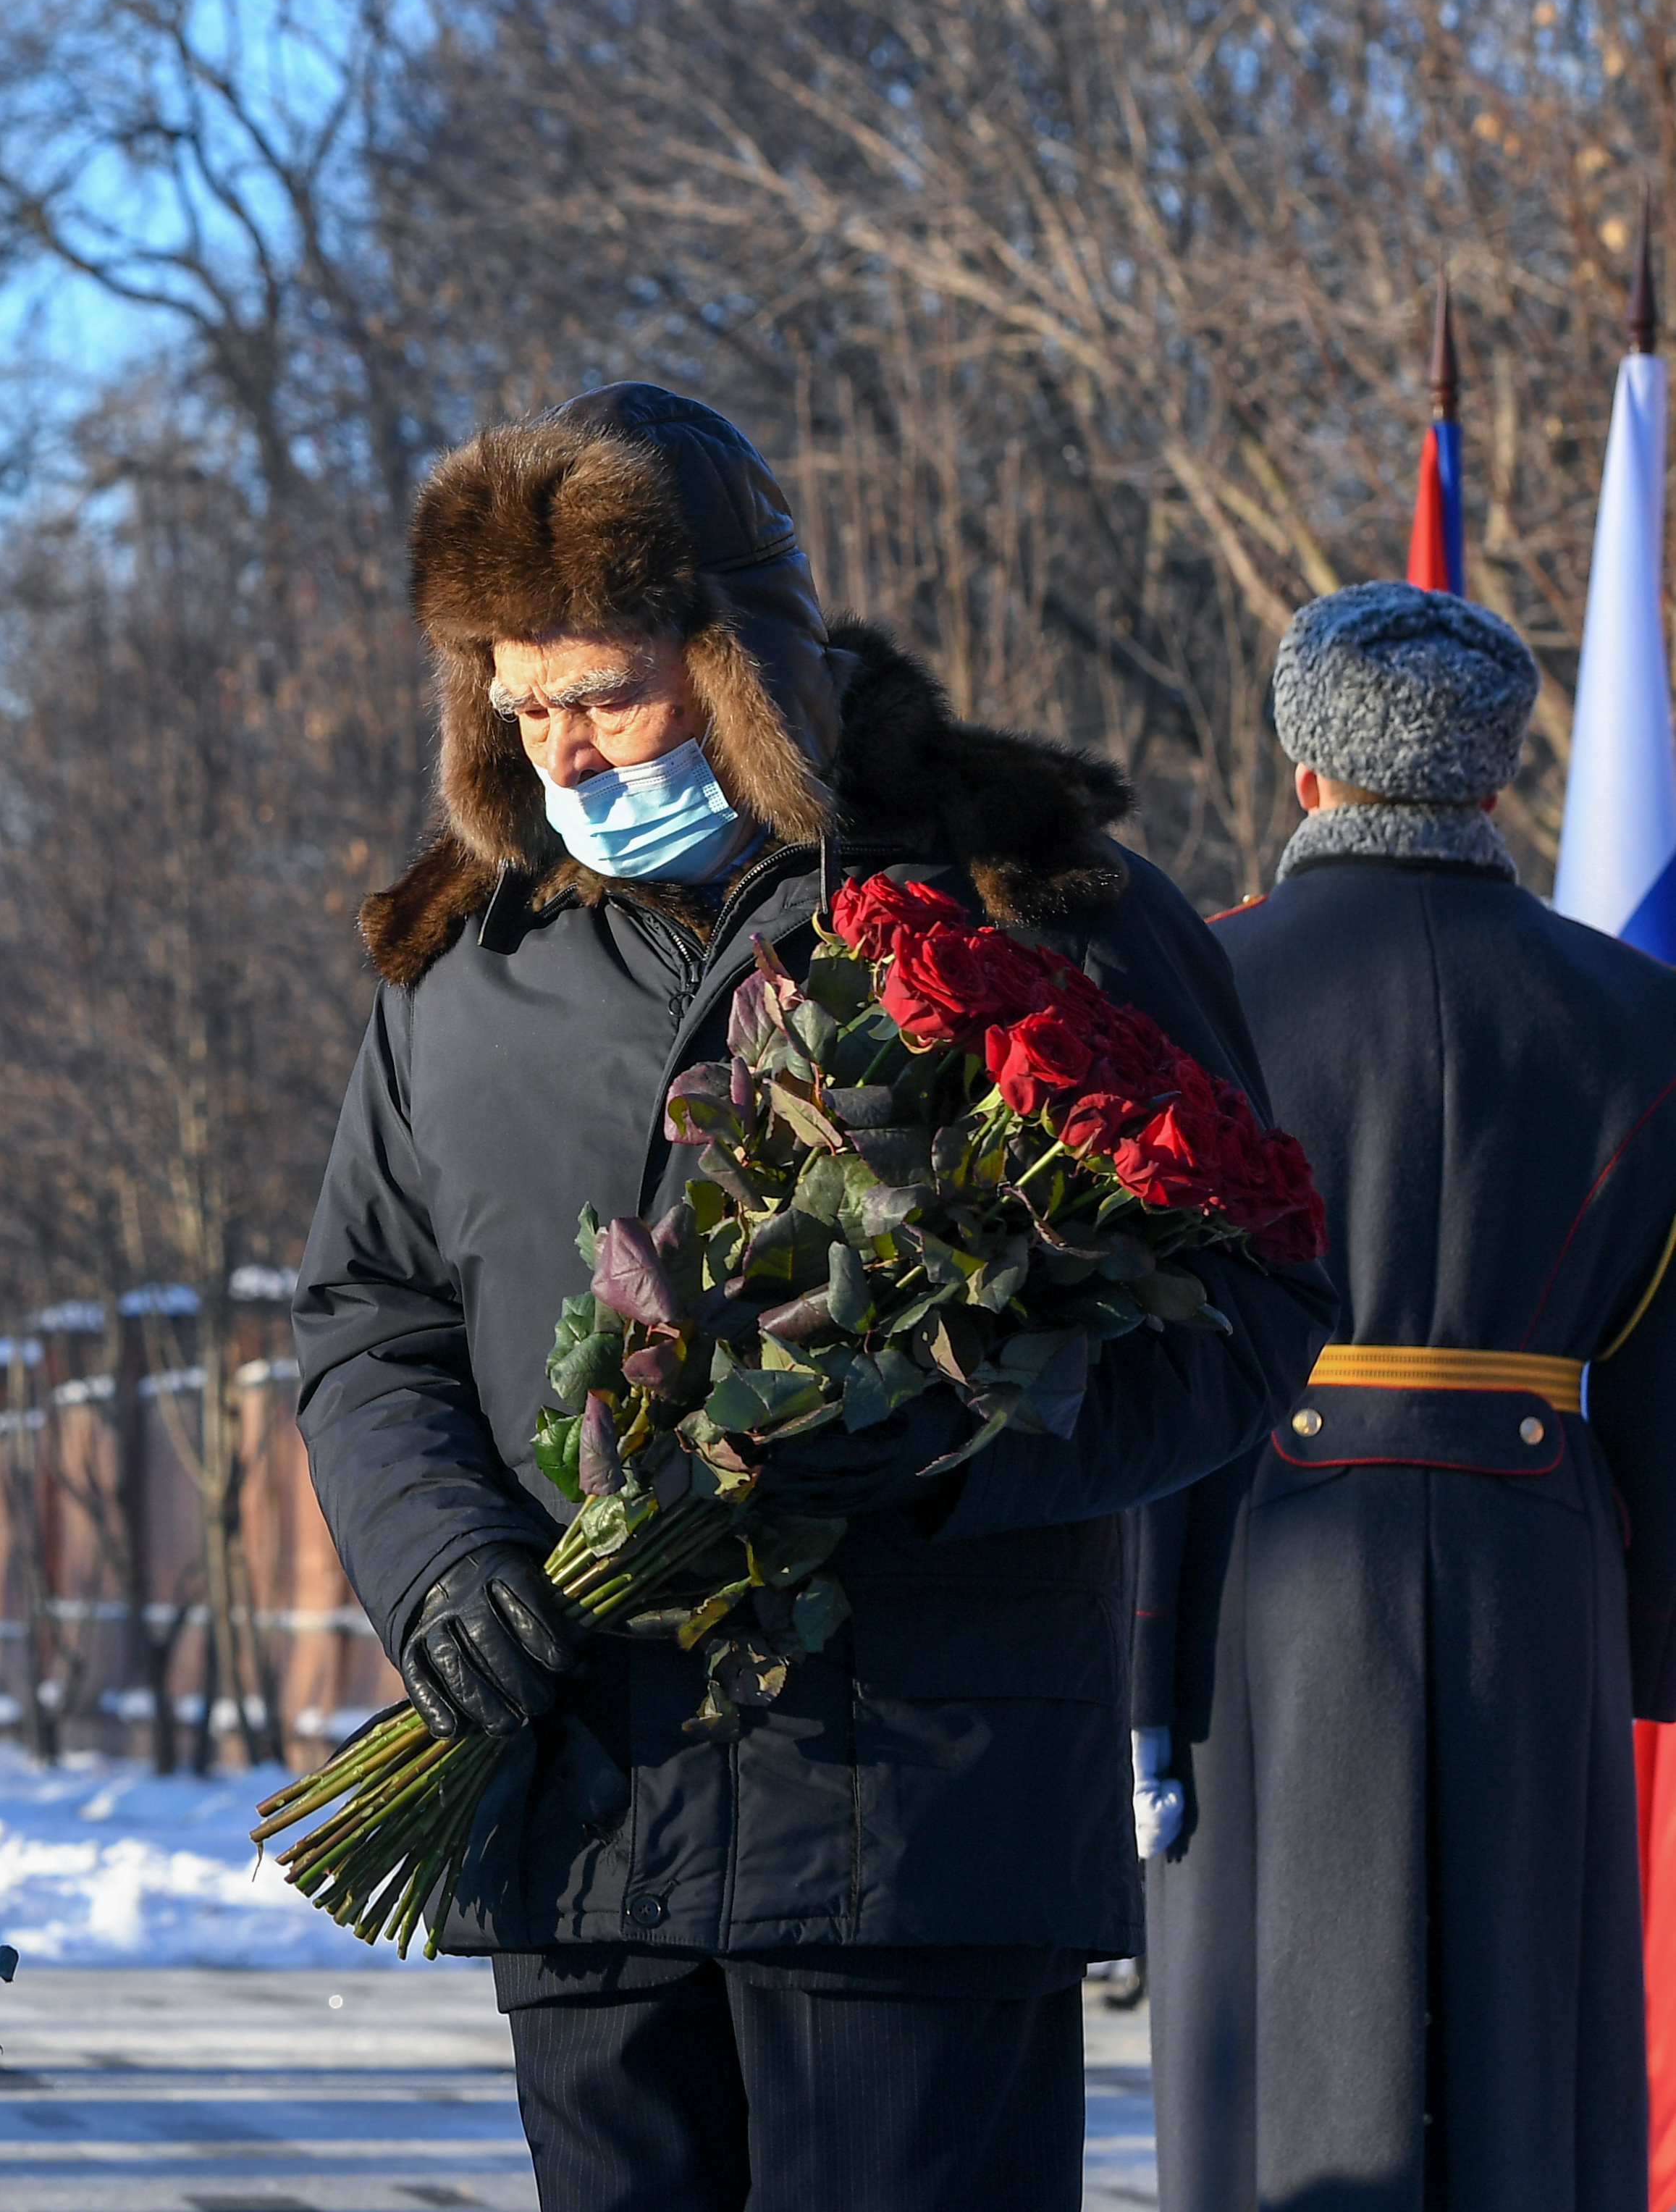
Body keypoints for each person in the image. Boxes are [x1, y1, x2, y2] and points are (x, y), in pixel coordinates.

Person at [292, 384, 1337, 2212]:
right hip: (584, 1816)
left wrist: (956, 1442)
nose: (569, 758)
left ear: (740, 662)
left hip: (919, 1821)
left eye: (606, 693)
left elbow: (1246, 1303)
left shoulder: (1030, 912)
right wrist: (436, 1562)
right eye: (520, 707)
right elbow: (364, 1312)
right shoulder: (465, 968)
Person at [1129, 582, 1676, 2210]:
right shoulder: (1644, 1013)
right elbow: (1660, 1371)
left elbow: (1147, 1353)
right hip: (1540, 1572)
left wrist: (1129, 1649)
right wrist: (1651, 1646)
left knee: (1273, 2056)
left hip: (1260, 1558)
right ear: (1496, 781)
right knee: (1532, 2054)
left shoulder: (1192, 987)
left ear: (1308, 771)